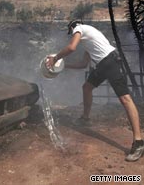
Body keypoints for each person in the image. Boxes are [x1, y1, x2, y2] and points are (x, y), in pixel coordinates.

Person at [46, 20, 144, 162]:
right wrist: (63, 66)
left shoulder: (79, 28)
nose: (73, 35)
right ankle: (85, 118)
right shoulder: (89, 39)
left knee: (125, 99)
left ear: (73, 27)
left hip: (110, 62)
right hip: (103, 64)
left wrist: (55, 58)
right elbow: (83, 64)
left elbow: (72, 47)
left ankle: (139, 142)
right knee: (87, 87)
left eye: (72, 33)